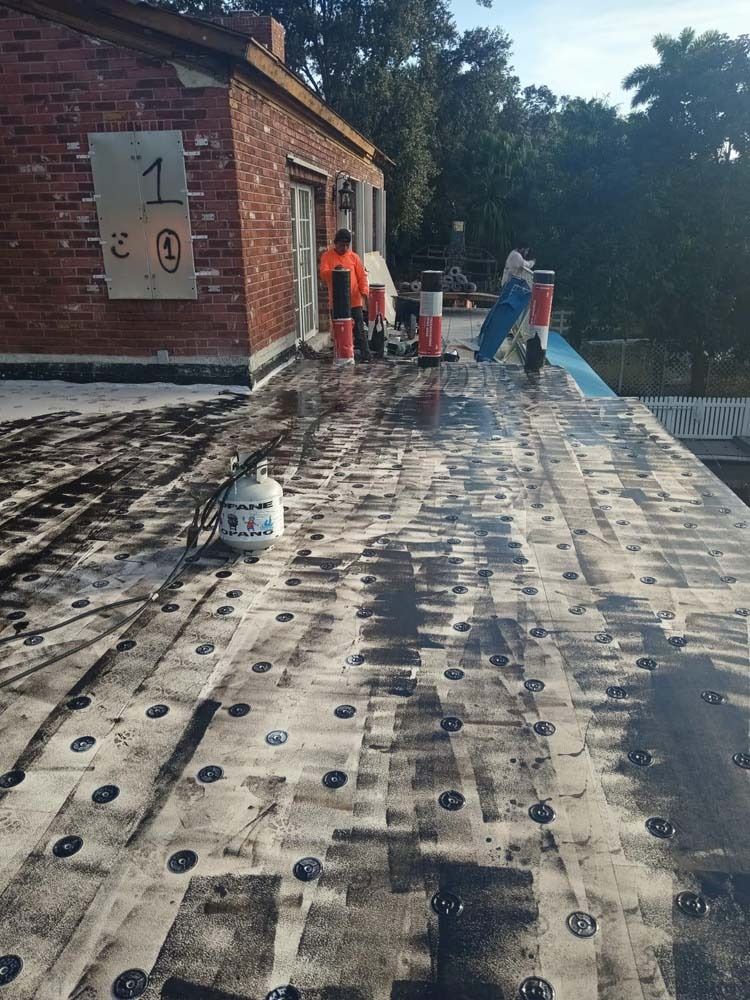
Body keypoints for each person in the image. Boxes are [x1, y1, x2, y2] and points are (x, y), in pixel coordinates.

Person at [319, 228, 370, 359]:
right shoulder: (327, 256)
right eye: (342, 245)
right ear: (336, 243)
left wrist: (364, 292)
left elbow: (362, 276)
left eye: (347, 245)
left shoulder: (354, 257)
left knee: (359, 328)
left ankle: (365, 355)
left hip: (354, 300)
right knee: (340, 330)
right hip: (338, 302)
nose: (345, 248)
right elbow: (323, 274)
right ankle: (342, 355)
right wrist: (335, 272)